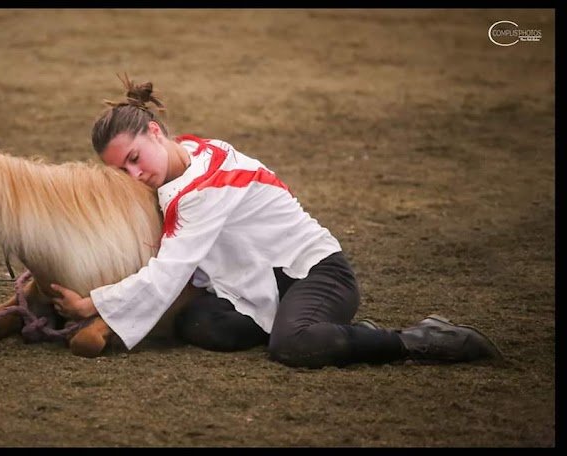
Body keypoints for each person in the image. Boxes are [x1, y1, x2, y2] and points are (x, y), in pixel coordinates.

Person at [49, 74, 503, 368]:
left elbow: (170, 268)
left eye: (134, 159)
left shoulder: (208, 184)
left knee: (294, 347)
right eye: (121, 170)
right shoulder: (191, 151)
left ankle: (420, 340)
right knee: (201, 327)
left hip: (316, 274)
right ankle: (318, 330)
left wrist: (93, 305)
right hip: (250, 283)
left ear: (153, 132)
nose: (134, 175)